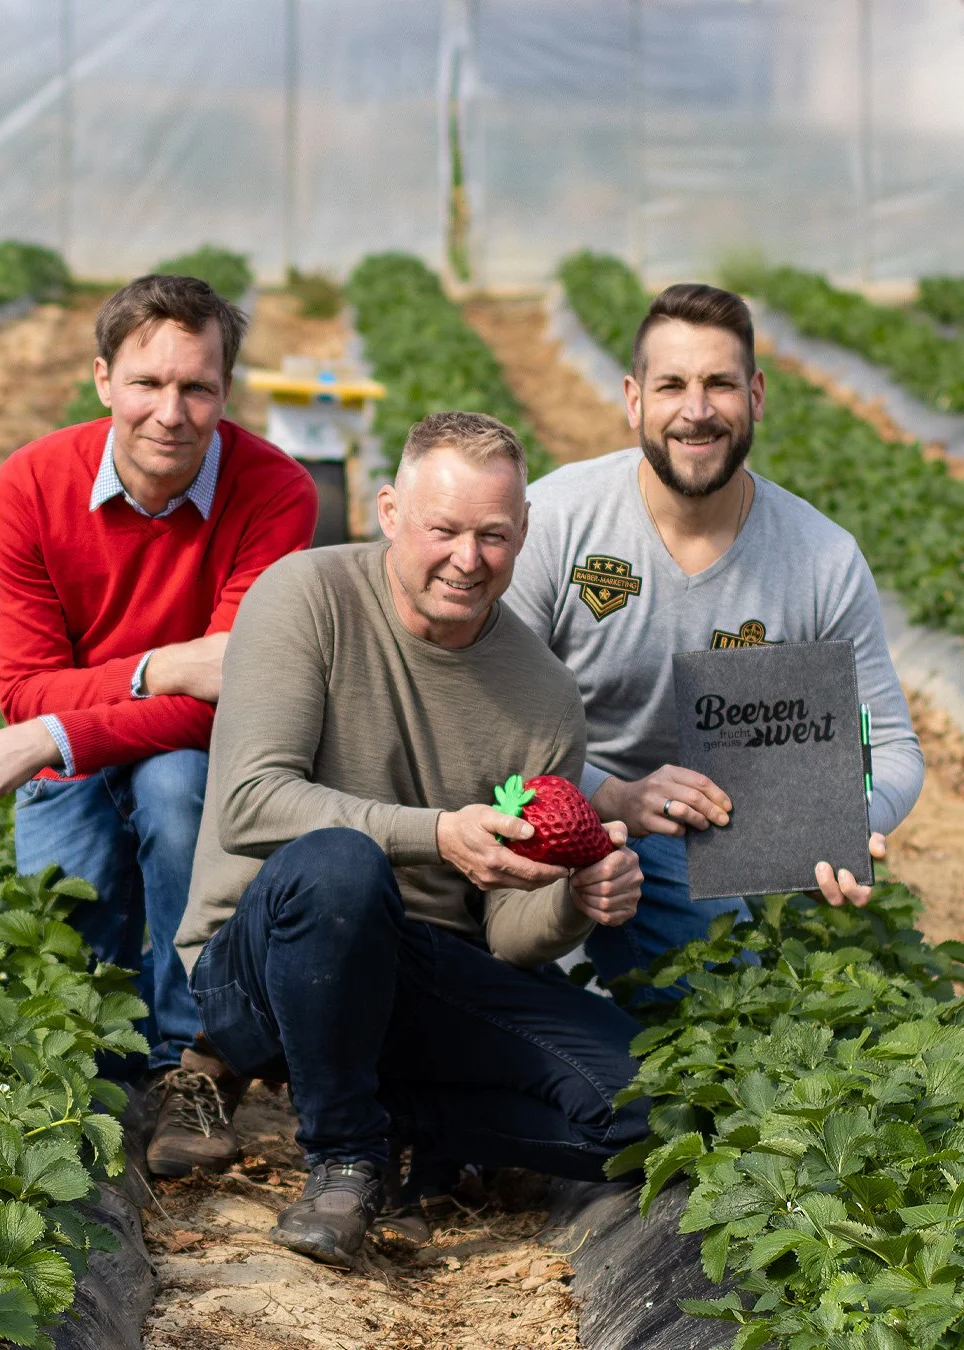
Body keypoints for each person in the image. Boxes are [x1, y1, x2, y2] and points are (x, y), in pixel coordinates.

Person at [174, 410, 649, 1267]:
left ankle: (405, 1118)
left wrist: (572, 899)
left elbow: (507, 931)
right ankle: (346, 1158)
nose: (468, 560)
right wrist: (437, 834)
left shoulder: (542, 693)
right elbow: (250, 801)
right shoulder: (306, 597)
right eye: (445, 530)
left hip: (422, 970)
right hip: (267, 962)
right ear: (390, 512)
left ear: (524, 533)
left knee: (644, 1107)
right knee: (340, 868)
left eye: (494, 536)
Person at [0, 273, 319, 1175]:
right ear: (104, 378)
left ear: (226, 390)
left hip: (187, 751)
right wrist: (162, 668)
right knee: (71, 914)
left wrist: (72, 721)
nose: (170, 413)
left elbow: (236, 695)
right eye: (147, 383)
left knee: (178, 793)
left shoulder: (274, 492)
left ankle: (194, 1058)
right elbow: (24, 691)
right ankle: (88, 1069)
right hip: (77, 745)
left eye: (197, 388)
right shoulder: (29, 486)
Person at [504, 282, 924, 990]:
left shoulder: (819, 558)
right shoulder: (554, 520)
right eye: (673, 385)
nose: (696, 411)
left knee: (755, 972)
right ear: (635, 399)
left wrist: (839, 824)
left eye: (720, 385)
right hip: (561, 820)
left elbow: (892, 746)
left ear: (756, 396)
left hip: (731, 848)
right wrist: (615, 795)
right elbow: (487, 717)